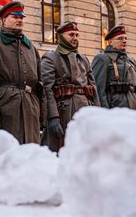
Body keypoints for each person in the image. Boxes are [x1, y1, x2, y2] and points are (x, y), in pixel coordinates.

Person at [0, 1, 45, 144]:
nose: (19, 20)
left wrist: (42, 114)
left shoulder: (30, 46)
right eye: (15, 17)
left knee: (31, 156)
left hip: (30, 110)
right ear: (4, 20)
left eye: (21, 18)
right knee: (8, 157)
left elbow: (40, 84)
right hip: (6, 110)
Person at [41, 21, 100, 151]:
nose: (75, 38)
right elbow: (47, 90)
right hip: (63, 112)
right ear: (61, 36)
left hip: (85, 110)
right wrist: (53, 117)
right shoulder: (50, 58)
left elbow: (93, 87)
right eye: (71, 34)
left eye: (77, 35)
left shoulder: (83, 58)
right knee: (61, 150)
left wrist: (98, 113)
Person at [91, 25, 136, 111]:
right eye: (120, 38)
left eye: (125, 38)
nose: (124, 41)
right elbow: (99, 91)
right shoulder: (102, 59)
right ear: (110, 42)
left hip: (135, 106)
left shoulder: (131, 60)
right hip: (116, 108)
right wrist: (105, 113)